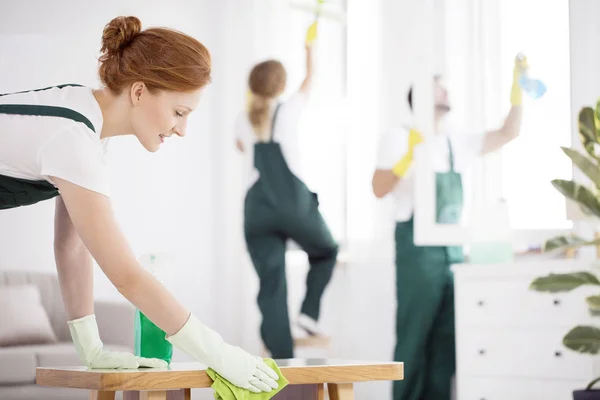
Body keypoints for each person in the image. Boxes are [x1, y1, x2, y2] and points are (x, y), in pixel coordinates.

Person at [0, 16, 279, 394]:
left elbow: (72, 245)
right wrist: (219, 352)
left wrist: (91, 348)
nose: (182, 129)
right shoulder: (74, 138)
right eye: (179, 112)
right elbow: (126, 274)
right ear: (139, 92)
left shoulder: (86, 124)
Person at [372, 57, 527, 400]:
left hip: (455, 252)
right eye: (437, 86)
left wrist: (517, 93)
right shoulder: (400, 137)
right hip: (418, 254)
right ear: (421, 98)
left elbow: (508, 134)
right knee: (414, 339)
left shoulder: (456, 140)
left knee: (447, 343)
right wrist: (408, 157)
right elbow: (379, 187)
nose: (445, 89)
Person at [234, 22, 338, 359]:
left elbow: (240, 148)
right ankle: (308, 313)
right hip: (291, 202)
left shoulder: (242, 118)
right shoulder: (288, 109)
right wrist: (309, 49)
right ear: (280, 86)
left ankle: (280, 360)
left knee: (271, 283)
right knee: (326, 250)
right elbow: (310, 82)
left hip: (256, 209)